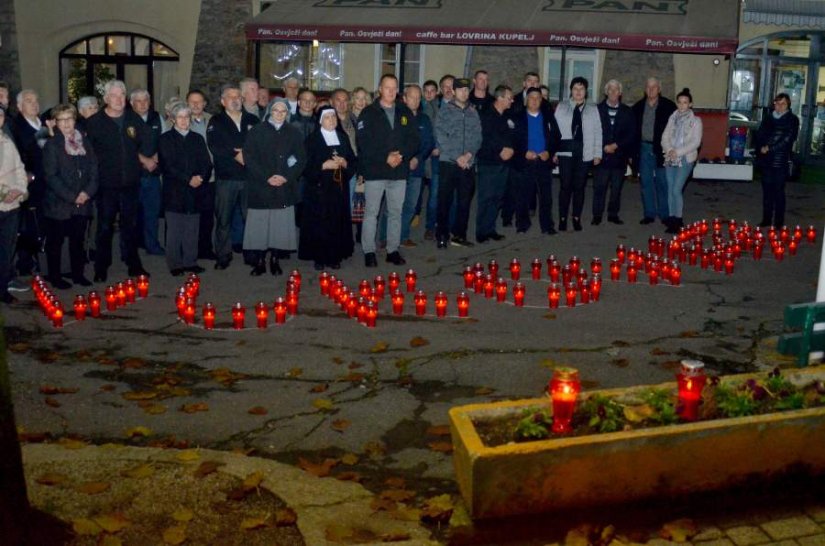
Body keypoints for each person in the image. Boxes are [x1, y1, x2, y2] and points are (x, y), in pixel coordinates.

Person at [85, 80, 152, 281]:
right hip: (106, 185)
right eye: (113, 95)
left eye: (122, 95)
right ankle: (101, 266)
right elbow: (89, 155)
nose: (118, 99)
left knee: (130, 225)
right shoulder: (95, 122)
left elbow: (144, 143)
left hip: (130, 183)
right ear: (105, 99)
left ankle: (133, 263)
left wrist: (145, 158)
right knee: (104, 227)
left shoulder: (134, 119)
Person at [356, 74, 419, 267]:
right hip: (376, 171)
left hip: (398, 171)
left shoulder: (404, 112)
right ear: (380, 89)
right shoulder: (368, 112)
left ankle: (392, 250)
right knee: (371, 213)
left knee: (395, 213)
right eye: (387, 87)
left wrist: (401, 156)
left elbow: (414, 140)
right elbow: (363, 143)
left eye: (394, 88)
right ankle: (369, 251)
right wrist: (385, 157)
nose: (391, 91)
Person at [242, 98, 306, 276]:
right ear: (269, 111)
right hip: (261, 186)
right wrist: (266, 177)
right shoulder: (257, 131)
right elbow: (249, 157)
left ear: (288, 114)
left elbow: (301, 159)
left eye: (283, 111)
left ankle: (275, 259)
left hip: (284, 186)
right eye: (276, 111)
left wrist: (286, 176)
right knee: (260, 226)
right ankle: (260, 260)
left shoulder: (294, 132)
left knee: (280, 226)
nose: (279, 114)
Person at [41, 104, 98, 289]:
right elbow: (51, 176)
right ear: (56, 123)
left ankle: (77, 274)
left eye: (70, 119)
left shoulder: (85, 142)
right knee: (56, 242)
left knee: (77, 240)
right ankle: (55, 276)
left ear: (75, 120)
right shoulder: (52, 144)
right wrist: (72, 196)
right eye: (62, 120)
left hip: (82, 201)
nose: (66, 123)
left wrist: (87, 192)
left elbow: (93, 170)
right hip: (59, 202)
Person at [207, 84, 259, 270]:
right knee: (223, 219)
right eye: (230, 97)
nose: (235, 100)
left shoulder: (253, 119)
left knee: (251, 219)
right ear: (223, 101)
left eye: (238, 96)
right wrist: (236, 154)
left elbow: (259, 143)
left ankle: (251, 254)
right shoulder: (216, 121)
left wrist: (247, 154)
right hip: (226, 178)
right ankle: (223, 255)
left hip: (249, 177)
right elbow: (215, 144)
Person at [298, 107, 356, 270]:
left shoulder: (343, 138)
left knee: (336, 220)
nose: (331, 120)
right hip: (319, 189)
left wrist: (345, 164)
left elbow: (352, 160)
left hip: (338, 189)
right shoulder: (312, 140)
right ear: (320, 120)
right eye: (328, 117)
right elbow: (304, 164)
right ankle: (319, 257)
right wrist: (323, 165)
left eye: (333, 117)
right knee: (319, 222)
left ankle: (334, 256)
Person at [158, 103, 213, 276]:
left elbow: (206, 163)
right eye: (180, 117)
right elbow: (168, 165)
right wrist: (188, 179)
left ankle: (190, 261)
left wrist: (201, 178)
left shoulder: (197, 138)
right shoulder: (165, 139)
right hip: (175, 190)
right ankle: (175, 264)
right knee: (175, 229)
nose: (184, 121)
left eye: (186, 117)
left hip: (196, 190)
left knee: (192, 228)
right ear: (173, 119)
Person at [434, 78, 482, 248]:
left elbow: (478, 137)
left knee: (464, 201)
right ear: (453, 92)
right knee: (444, 201)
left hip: (468, 164)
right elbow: (441, 137)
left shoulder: (473, 112)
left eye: (466, 89)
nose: (464, 92)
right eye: (460, 89)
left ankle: (459, 235)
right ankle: (441, 235)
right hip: (449, 162)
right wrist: (457, 157)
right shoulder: (444, 111)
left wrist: (468, 155)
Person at [554, 77, 602, 231]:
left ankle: (576, 217)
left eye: (581, 89)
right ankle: (562, 218)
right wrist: (553, 151)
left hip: (584, 152)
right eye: (575, 89)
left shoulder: (593, 109)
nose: (578, 92)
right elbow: (554, 131)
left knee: (579, 187)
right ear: (571, 91)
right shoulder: (561, 107)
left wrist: (597, 153)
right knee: (565, 186)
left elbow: (597, 132)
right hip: (565, 152)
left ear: (586, 91)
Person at [12, 89, 51, 276]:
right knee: (28, 223)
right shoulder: (17, 127)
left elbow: (45, 149)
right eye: (29, 101)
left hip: (46, 181)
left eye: (36, 100)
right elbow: (24, 152)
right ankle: (25, 263)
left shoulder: (42, 123)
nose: (34, 104)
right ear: (20, 106)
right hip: (30, 182)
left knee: (44, 222)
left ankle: (41, 257)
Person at [512, 87, 561, 234]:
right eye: (532, 97)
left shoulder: (548, 117)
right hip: (525, 161)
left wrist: (549, 151)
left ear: (541, 100)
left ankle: (547, 226)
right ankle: (522, 224)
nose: (534, 100)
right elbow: (513, 139)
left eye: (538, 98)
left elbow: (556, 137)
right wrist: (523, 152)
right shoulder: (518, 117)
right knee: (523, 195)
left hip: (543, 161)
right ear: (526, 100)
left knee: (546, 196)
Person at [633, 77, 676, 225]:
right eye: (648, 87)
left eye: (654, 87)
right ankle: (649, 214)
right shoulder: (638, 107)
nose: (651, 90)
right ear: (645, 90)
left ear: (659, 89)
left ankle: (664, 214)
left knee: (662, 182)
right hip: (643, 148)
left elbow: (676, 130)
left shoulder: (669, 106)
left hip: (662, 149)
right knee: (645, 182)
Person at [593, 79, 636, 226]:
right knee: (599, 187)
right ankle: (597, 215)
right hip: (601, 156)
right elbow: (592, 131)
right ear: (606, 92)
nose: (612, 92)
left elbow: (632, 134)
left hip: (619, 157)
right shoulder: (596, 110)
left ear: (620, 93)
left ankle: (613, 214)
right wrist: (604, 146)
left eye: (615, 89)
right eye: (610, 89)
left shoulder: (627, 112)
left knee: (616, 189)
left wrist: (616, 145)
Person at [476, 85, 515, 242]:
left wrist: (511, 149)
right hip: (489, 163)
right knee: (486, 197)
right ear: (499, 98)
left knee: (497, 198)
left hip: (504, 164)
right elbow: (484, 139)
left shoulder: (506, 116)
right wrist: (500, 149)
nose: (512, 101)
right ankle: (481, 232)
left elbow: (512, 135)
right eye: (509, 98)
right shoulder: (486, 115)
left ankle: (490, 228)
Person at [661, 88, 703, 234]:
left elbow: (695, 142)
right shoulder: (672, 118)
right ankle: (672, 219)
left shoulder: (696, 121)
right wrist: (669, 150)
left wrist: (677, 152)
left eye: (685, 103)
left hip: (685, 158)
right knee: (670, 189)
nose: (682, 105)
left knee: (676, 189)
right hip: (670, 157)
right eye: (679, 102)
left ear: (690, 104)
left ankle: (678, 220)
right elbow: (664, 137)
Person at [754, 93, 800, 228]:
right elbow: (760, 134)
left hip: (780, 161)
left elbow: (788, 139)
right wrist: (760, 148)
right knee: (767, 192)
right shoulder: (768, 118)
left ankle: (778, 222)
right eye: (777, 103)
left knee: (778, 192)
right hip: (766, 160)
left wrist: (770, 148)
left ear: (788, 105)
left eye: (783, 104)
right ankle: (766, 219)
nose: (779, 106)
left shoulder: (792, 119)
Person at [0, 105, 29, 303]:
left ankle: (2, 289)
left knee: (6, 250)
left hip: (12, 206)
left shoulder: (7, 140)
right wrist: (3, 194)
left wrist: (19, 189)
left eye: (0, 115)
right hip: (3, 200)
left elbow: (19, 168)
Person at [399, 84, 434, 248]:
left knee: (411, 205)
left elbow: (428, 143)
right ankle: (385, 237)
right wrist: (407, 159)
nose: (415, 100)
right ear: (404, 98)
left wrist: (417, 158)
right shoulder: (397, 117)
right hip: (398, 168)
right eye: (412, 97)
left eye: (418, 97)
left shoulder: (424, 119)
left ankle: (403, 236)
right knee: (394, 206)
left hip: (417, 169)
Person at [130, 88, 164, 255]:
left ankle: (152, 245)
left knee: (152, 212)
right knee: (132, 214)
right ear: (132, 103)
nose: (143, 104)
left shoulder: (157, 118)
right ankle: (131, 247)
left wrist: (155, 159)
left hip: (153, 175)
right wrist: (145, 160)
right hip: (133, 175)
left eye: (146, 100)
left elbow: (164, 141)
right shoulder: (126, 119)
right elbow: (125, 147)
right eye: (139, 101)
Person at [187, 89, 215, 260]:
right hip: (188, 178)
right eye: (192, 101)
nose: (196, 105)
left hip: (210, 177)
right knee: (190, 216)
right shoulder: (179, 119)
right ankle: (189, 249)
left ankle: (205, 248)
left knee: (207, 216)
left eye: (199, 101)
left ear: (205, 103)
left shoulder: (214, 120)